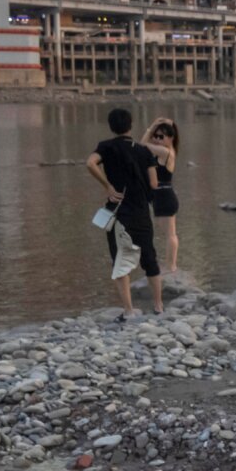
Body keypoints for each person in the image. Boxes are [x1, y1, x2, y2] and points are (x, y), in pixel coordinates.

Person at [86, 107, 163, 320]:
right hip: (141, 212)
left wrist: (108, 186)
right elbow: (154, 183)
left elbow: (90, 163)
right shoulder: (144, 151)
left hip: (119, 213)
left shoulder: (106, 147)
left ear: (111, 127)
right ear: (131, 125)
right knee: (150, 259)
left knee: (121, 260)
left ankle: (129, 310)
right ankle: (158, 307)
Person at [143, 118, 181, 274]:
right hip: (158, 197)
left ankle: (171, 266)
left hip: (166, 197)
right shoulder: (163, 151)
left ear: (170, 138)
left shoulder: (166, 152)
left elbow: (141, 145)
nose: (157, 139)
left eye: (161, 136)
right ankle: (169, 264)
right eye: (156, 136)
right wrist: (154, 128)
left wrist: (151, 127)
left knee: (170, 233)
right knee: (165, 232)